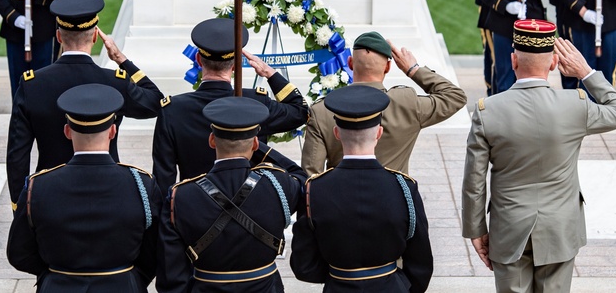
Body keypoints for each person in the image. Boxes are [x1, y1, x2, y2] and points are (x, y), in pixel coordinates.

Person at [462, 23, 616, 293]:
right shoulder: (575, 105)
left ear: (513, 60)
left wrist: (475, 228)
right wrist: (585, 72)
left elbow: (474, 181)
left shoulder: (488, 111)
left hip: (509, 227)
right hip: (559, 228)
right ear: (554, 63)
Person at [6, 0, 163, 207]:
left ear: (59, 36)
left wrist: (19, 204)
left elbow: (17, 155)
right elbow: (156, 103)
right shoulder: (114, 81)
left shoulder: (33, 84)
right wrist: (121, 60)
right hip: (107, 194)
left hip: (51, 195)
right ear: (96, 36)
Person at [7, 84, 161, 291]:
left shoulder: (39, 186)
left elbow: (20, 253)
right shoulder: (141, 184)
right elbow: (156, 249)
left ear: (67, 131)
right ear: (113, 131)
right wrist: (131, 278)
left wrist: (54, 275)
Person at [291, 84, 433, 293]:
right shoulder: (404, 188)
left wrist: (339, 275)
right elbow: (421, 262)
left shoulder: (315, 189)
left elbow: (304, 265)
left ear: (337, 133)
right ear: (379, 133)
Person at [158, 96, 303, 292]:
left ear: (211, 140)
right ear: (254, 144)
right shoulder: (279, 184)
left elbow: (171, 276)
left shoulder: (181, 196)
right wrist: (261, 149)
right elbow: (302, 177)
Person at [151, 18, 308, 192]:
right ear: (235, 64)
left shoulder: (173, 110)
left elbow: (163, 179)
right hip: (251, 208)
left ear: (198, 60)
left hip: (195, 208)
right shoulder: (256, 103)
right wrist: (269, 73)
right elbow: (300, 111)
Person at [301, 31, 466, 177]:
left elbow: (311, 175)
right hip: (393, 205)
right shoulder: (406, 103)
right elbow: (455, 97)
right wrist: (413, 70)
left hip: (340, 205)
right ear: (388, 67)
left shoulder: (322, 110)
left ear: (350, 64)